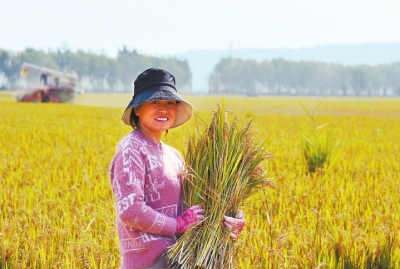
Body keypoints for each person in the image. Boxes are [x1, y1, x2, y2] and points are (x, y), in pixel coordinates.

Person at [109, 67, 245, 269]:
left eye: (170, 102)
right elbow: (130, 210)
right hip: (150, 264)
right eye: (155, 101)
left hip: (179, 260)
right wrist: (177, 225)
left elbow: (196, 207)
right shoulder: (131, 148)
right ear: (137, 109)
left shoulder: (174, 156)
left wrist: (230, 216)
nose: (163, 108)